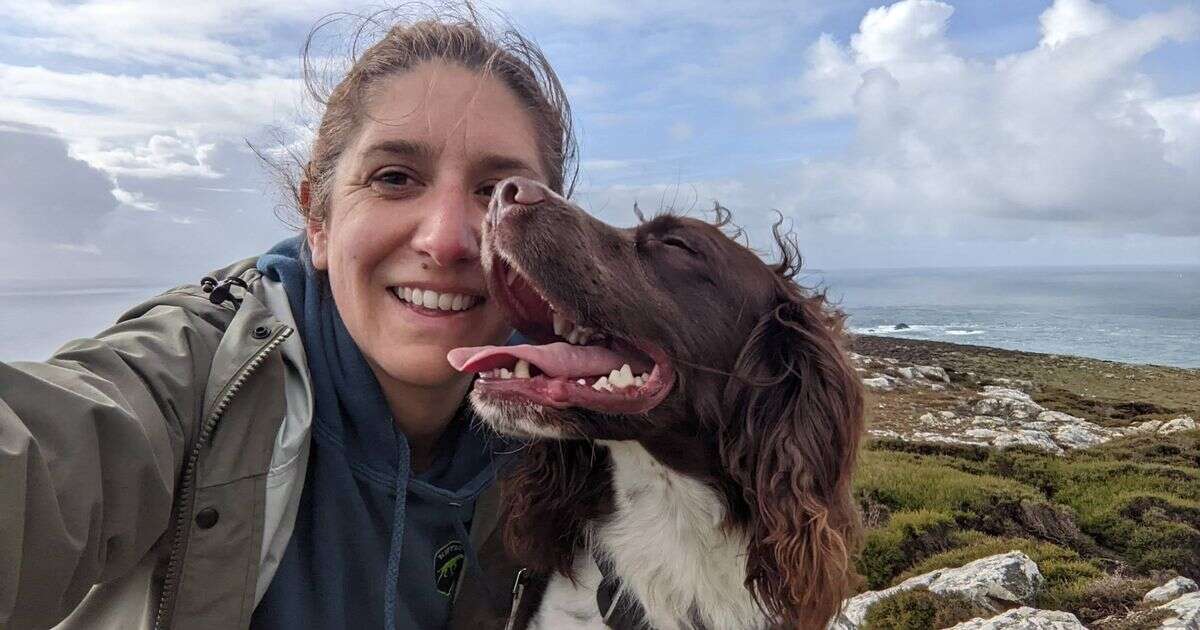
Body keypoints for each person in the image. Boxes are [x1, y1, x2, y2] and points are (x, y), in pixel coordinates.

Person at [0, 8, 577, 630]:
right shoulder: (198, 379)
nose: (446, 241)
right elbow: (46, 453)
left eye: (499, 193)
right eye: (394, 178)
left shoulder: (578, 430)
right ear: (318, 220)